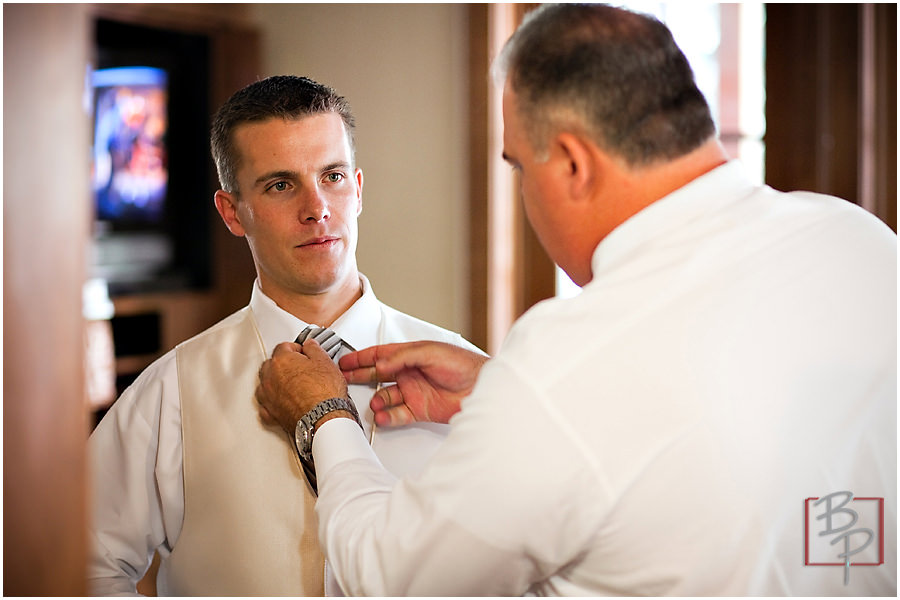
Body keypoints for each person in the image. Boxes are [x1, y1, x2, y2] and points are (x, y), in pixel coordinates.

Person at [255, 4, 897, 596]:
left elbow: (390, 576)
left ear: (569, 163)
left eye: (519, 168)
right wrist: (506, 391)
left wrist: (325, 419)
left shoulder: (574, 357)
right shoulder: (859, 239)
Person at [87, 75, 482, 596]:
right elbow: (78, 567)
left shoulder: (472, 383)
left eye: (333, 176)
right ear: (232, 212)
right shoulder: (171, 393)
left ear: (358, 190)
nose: (316, 207)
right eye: (280, 184)